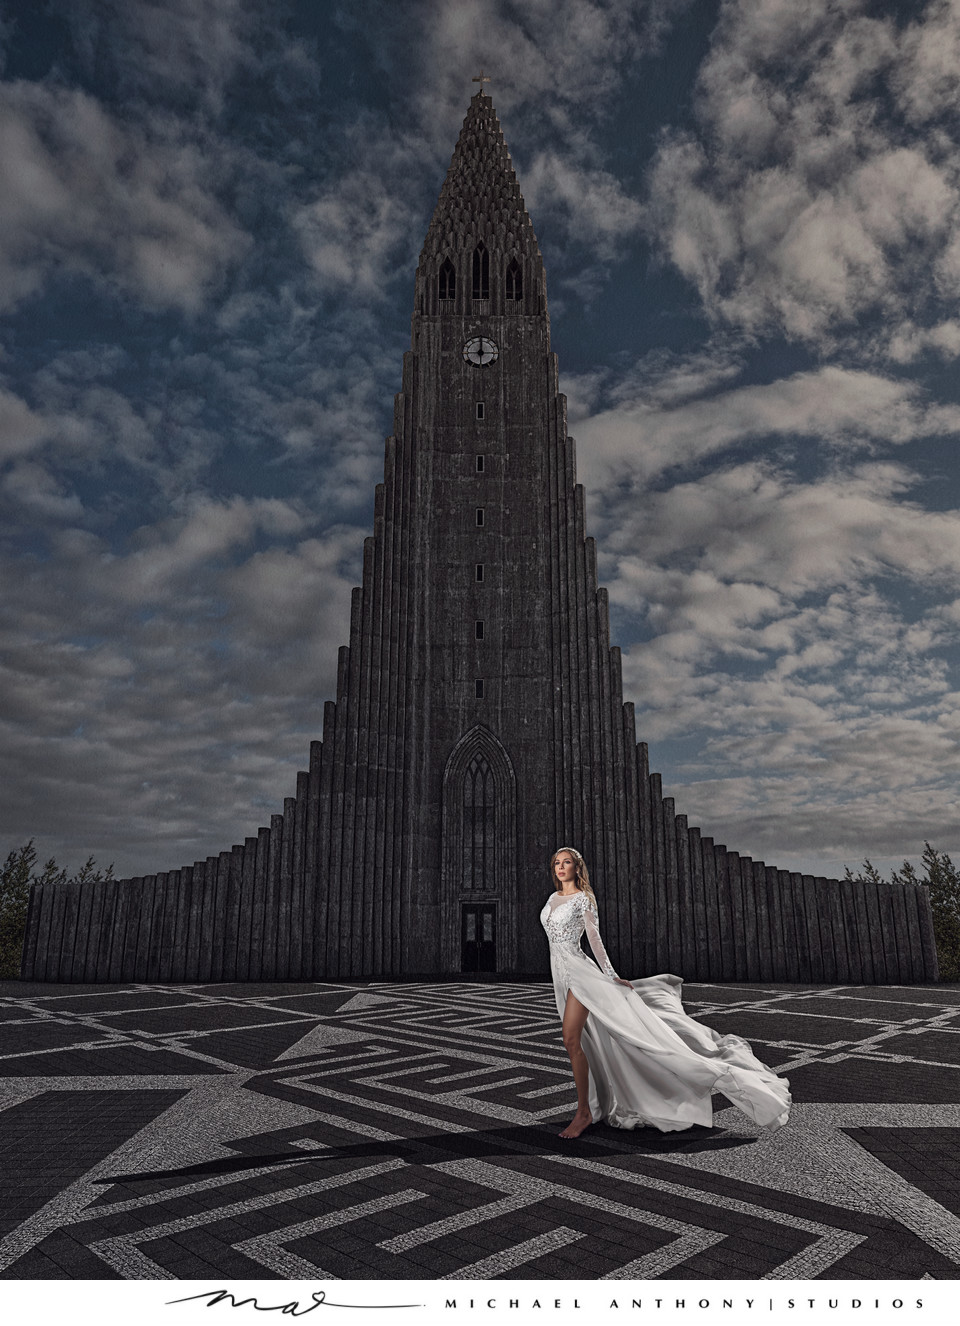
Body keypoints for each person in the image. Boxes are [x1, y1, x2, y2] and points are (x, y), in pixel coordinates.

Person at [541, 846, 791, 1140]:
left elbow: (594, 940)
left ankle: (583, 1112)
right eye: (557, 862)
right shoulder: (552, 898)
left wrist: (611, 975)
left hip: (579, 975)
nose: (561, 867)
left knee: (571, 1039)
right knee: (584, 1041)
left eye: (567, 862)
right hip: (560, 976)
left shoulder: (583, 899)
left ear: (576, 867)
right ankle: (595, 1104)